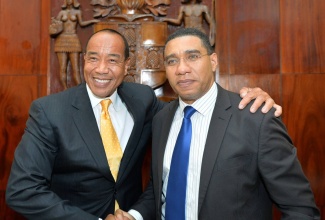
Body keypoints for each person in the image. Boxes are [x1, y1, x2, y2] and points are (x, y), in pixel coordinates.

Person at [6, 28, 281, 220]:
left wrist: (250, 97)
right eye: (93, 58)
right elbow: (22, 191)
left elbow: (190, 113)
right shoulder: (49, 111)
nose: (101, 69)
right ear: (83, 61)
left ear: (127, 66)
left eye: (112, 60)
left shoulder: (142, 100)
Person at [109, 28, 320, 220]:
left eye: (192, 56)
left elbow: (300, 209)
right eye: (172, 61)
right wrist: (134, 216)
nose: (182, 69)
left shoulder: (256, 118)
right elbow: (161, 189)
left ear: (213, 61)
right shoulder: (161, 120)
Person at [49, 0, 99, 89]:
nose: (69, 1)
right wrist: (54, 23)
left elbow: (82, 23)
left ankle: (80, 89)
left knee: (76, 68)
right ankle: (65, 89)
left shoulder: (77, 12)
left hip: (73, 38)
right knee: (63, 67)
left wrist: (92, 21)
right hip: (62, 39)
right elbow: (56, 25)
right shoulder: (61, 13)